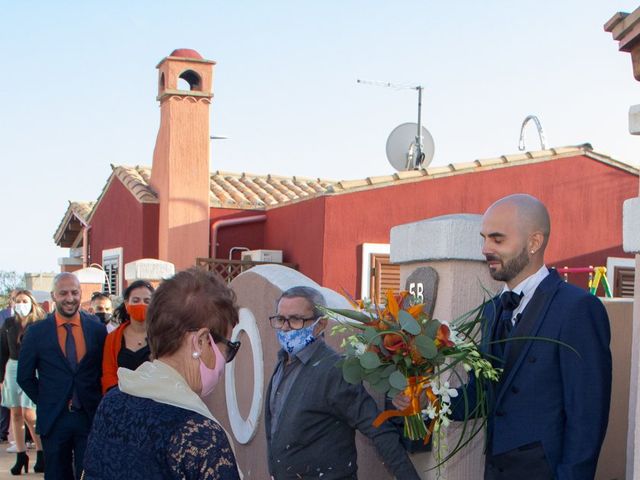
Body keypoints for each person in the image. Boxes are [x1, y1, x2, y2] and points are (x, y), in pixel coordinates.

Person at [454, 194, 611, 479]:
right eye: (484, 238)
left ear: (534, 242)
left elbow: (587, 418)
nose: (485, 248)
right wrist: (426, 401)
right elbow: (482, 395)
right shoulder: (491, 310)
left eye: (497, 239)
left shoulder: (576, 309)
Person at [83, 268, 242, 479]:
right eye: (228, 347)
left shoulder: (112, 403)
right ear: (201, 341)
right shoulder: (200, 436)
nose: (225, 359)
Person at [265, 286, 420, 480]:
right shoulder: (283, 362)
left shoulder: (335, 370)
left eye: (295, 319)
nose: (285, 327)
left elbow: (378, 429)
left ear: (321, 325)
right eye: (280, 319)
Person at [17, 272, 107, 480]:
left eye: (74, 292)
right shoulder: (37, 332)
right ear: (53, 296)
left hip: (89, 417)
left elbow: (102, 371)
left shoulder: (96, 329)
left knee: (90, 475)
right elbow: (24, 376)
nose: (69, 298)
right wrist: (47, 400)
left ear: (80, 294)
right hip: (55, 420)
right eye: (63, 293)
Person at [0, 289, 46, 474]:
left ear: (32, 303)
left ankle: (42, 452)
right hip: (12, 366)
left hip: (32, 368)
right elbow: (2, 350)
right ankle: (21, 455)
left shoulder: (39, 324)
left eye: (24, 300)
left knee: (29, 414)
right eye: (17, 301)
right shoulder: (9, 324)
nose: (21, 304)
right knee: (15, 413)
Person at [101, 281, 154, 393]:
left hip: (155, 401)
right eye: (136, 300)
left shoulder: (163, 337)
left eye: (147, 301)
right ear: (126, 305)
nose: (141, 304)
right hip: (120, 401)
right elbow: (108, 374)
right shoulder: (113, 338)